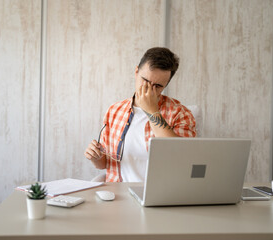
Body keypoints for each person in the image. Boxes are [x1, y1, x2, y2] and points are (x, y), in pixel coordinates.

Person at [84, 47, 196, 182]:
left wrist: (152, 111)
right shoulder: (114, 111)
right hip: (118, 194)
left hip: (159, 194)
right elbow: (104, 164)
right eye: (146, 81)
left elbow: (181, 160)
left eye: (158, 86)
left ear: (166, 85)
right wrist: (95, 158)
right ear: (136, 72)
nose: (149, 89)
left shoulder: (180, 113)